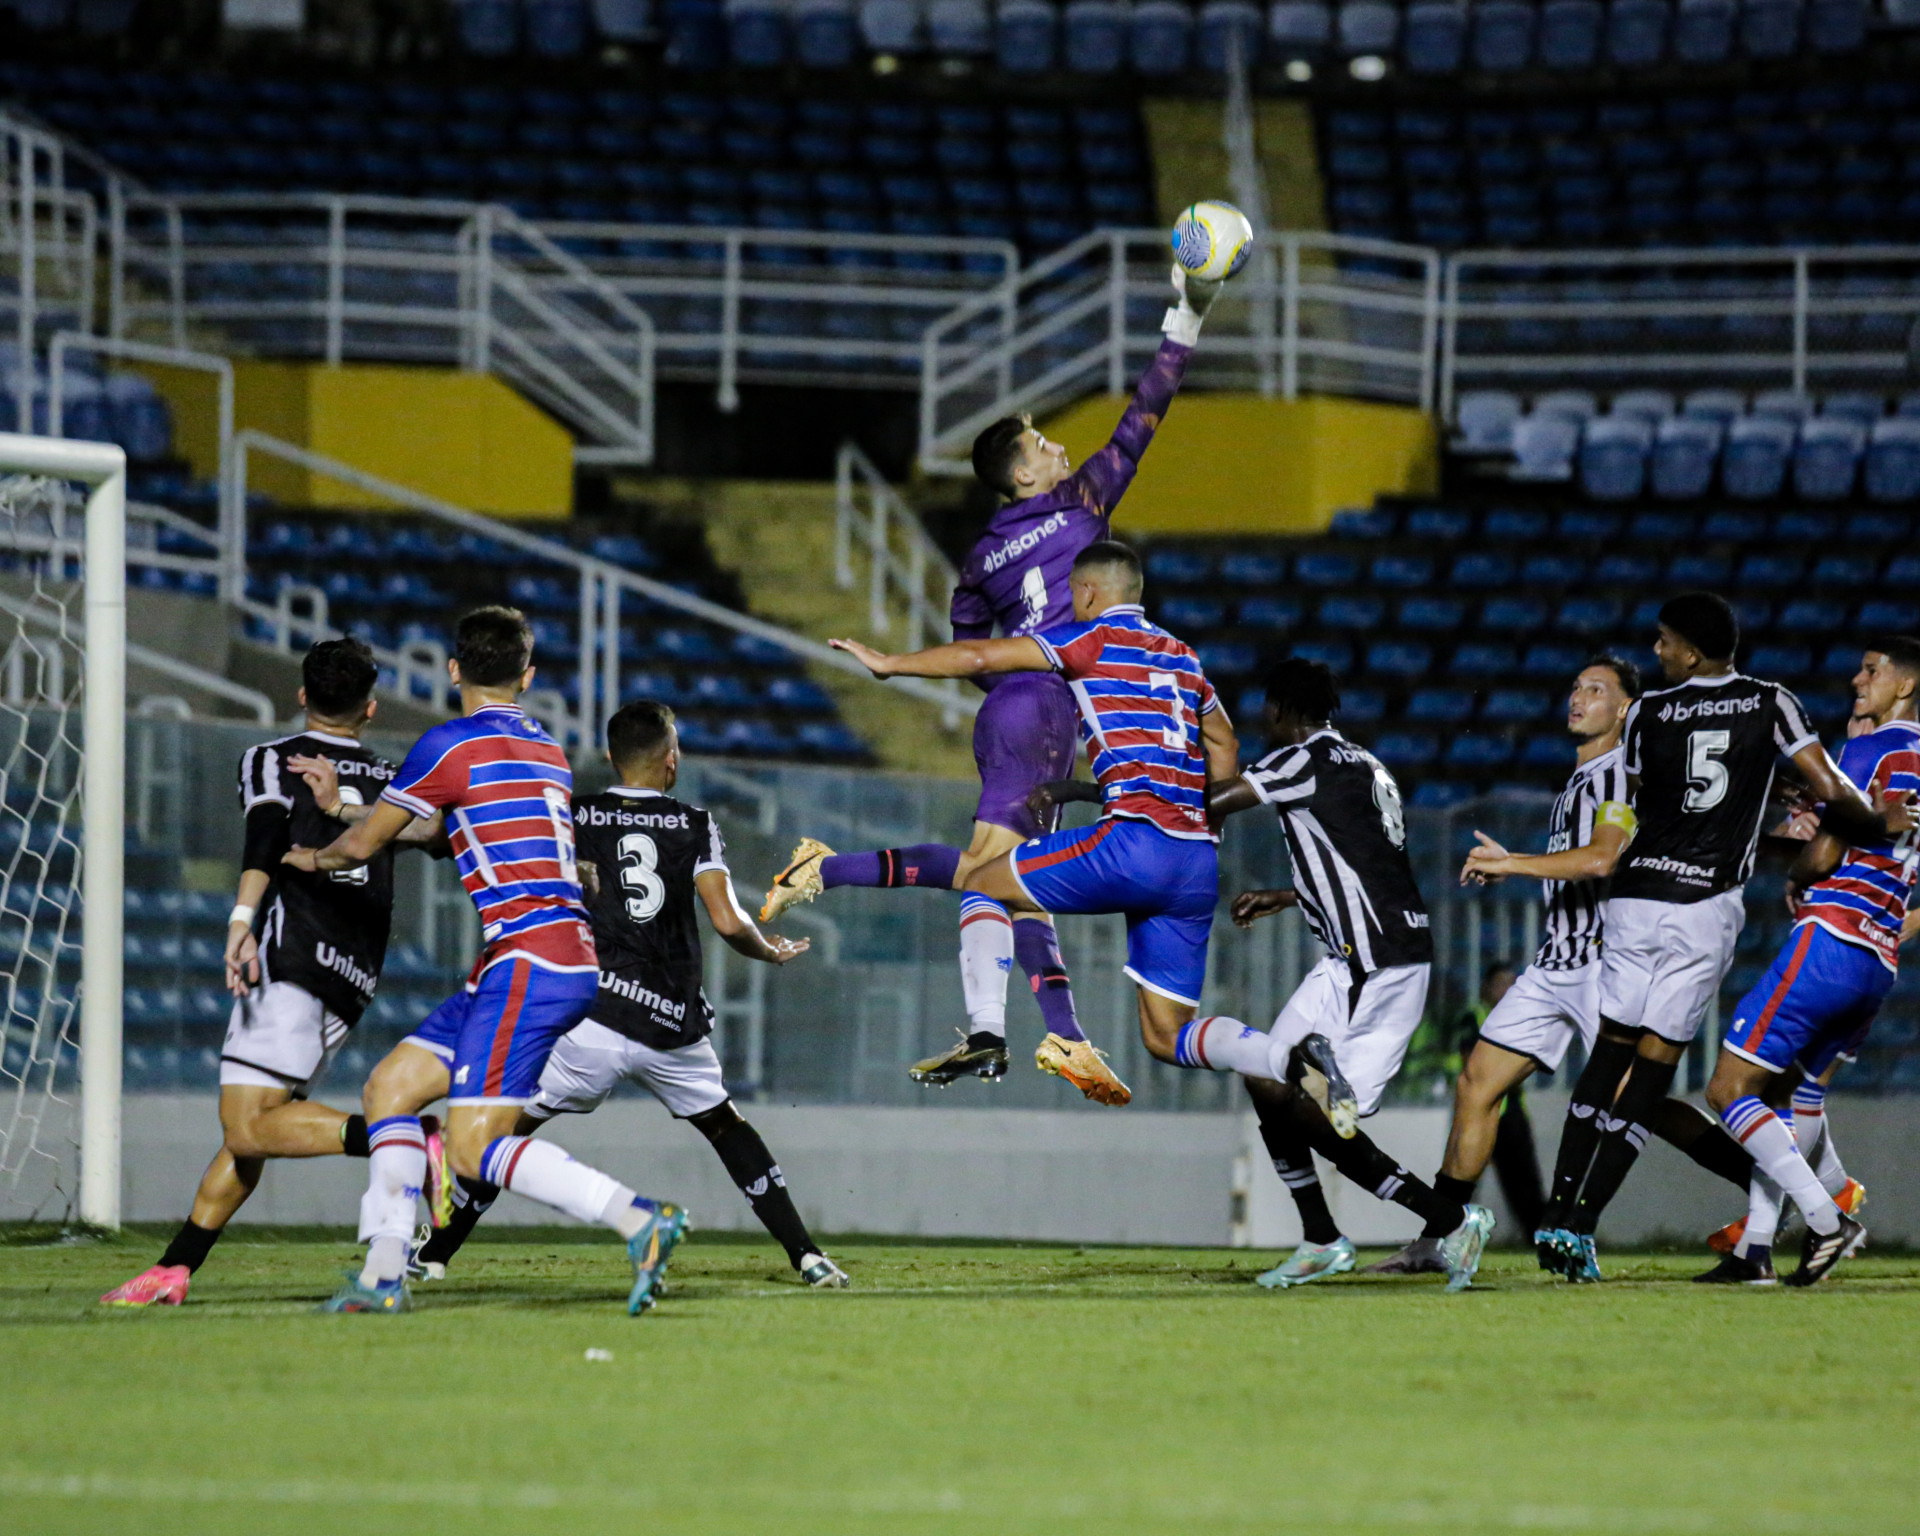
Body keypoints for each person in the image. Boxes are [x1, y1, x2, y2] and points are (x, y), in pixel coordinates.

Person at [758, 268, 1224, 1106]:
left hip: (1012, 709)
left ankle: (1047, 1035)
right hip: (1044, 708)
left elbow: (972, 632)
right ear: (1024, 478)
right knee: (988, 869)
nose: (1056, 445)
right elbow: (1143, 417)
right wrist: (1184, 321)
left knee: (1011, 873)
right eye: (1040, 444)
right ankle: (840, 883)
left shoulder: (981, 553)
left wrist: (1003, 698)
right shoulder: (1083, 507)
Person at [827, 541, 1335, 1122]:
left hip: (1131, 843)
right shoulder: (1184, 657)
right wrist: (1208, 825)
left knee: (982, 882)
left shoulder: (1087, 640)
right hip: (1194, 865)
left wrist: (892, 664)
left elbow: (979, 658)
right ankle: (1285, 1056)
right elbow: (1226, 744)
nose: (1072, 602)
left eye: (1074, 592)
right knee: (1167, 1036)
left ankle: (987, 1035)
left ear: (1089, 592)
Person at [285, 606, 687, 1315]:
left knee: (472, 1150)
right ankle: (383, 1273)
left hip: (531, 958)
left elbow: (363, 849)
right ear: (526, 678)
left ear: (451, 669)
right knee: (391, 1090)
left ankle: (636, 1216)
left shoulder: (449, 744)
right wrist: (351, 807)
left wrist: (310, 853)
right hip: (536, 957)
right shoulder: (548, 752)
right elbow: (446, 824)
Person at [405, 700, 849, 1289]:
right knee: (726, 1126)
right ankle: (807, 1256)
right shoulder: (693, 821)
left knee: (504, 1132)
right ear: (671, 759)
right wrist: (765, 948)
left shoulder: (574, 811)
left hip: (592, 1011)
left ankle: (433, 1255)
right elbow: (724, 918)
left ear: (611, 757)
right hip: (670, 1021)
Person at [1535, 593, 1914, 1282]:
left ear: (1692, 650)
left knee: (1607, 1056)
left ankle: (1558, 1217)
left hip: (1637, 897)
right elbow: (1829, 791)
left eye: (1665, 642)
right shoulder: (1771, 701)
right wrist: (1877, 826)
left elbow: (1651, 800)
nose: (1658, 653)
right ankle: (1589, 1226)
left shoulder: (1648, 710)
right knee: (1654, 1074)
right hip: (1706, 907)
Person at [100, 639, 446, 1307]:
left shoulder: (272, 759)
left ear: (300, 696)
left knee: (249, 1124)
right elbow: (437, 836)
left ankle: (406, 1138)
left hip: (293, 954)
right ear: (369, 708)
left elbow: (266, 834)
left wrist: (241, 920)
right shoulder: (393, 779)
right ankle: (175, 1269)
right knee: (261, 1125)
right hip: (355, 972)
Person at [1205, 657, 1494, 1293]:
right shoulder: (1366, 764)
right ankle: (1322, 1241)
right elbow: (1359, 856)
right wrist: (1288, 895)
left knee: (1327, 1113)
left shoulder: (1300, 758)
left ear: (1281, 709)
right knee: (1262, 1075)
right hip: (1351, 957)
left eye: (1266, 710)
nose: (1263, 720)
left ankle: (1451, 1220)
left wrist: (1124, 781)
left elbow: (1215, 802)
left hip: (1382, 966)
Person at [1694, 638, 1920, 1286]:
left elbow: (1820, 857)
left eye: (1871, 671)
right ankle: (1757, 1246)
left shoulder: (1871, 748)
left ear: (1903, 686)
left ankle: (1829, 1218)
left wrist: (1802, 860)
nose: (1857, 680)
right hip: (1877, 962)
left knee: (1729, 1089)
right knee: (1788, 1097)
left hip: (1830, 938)